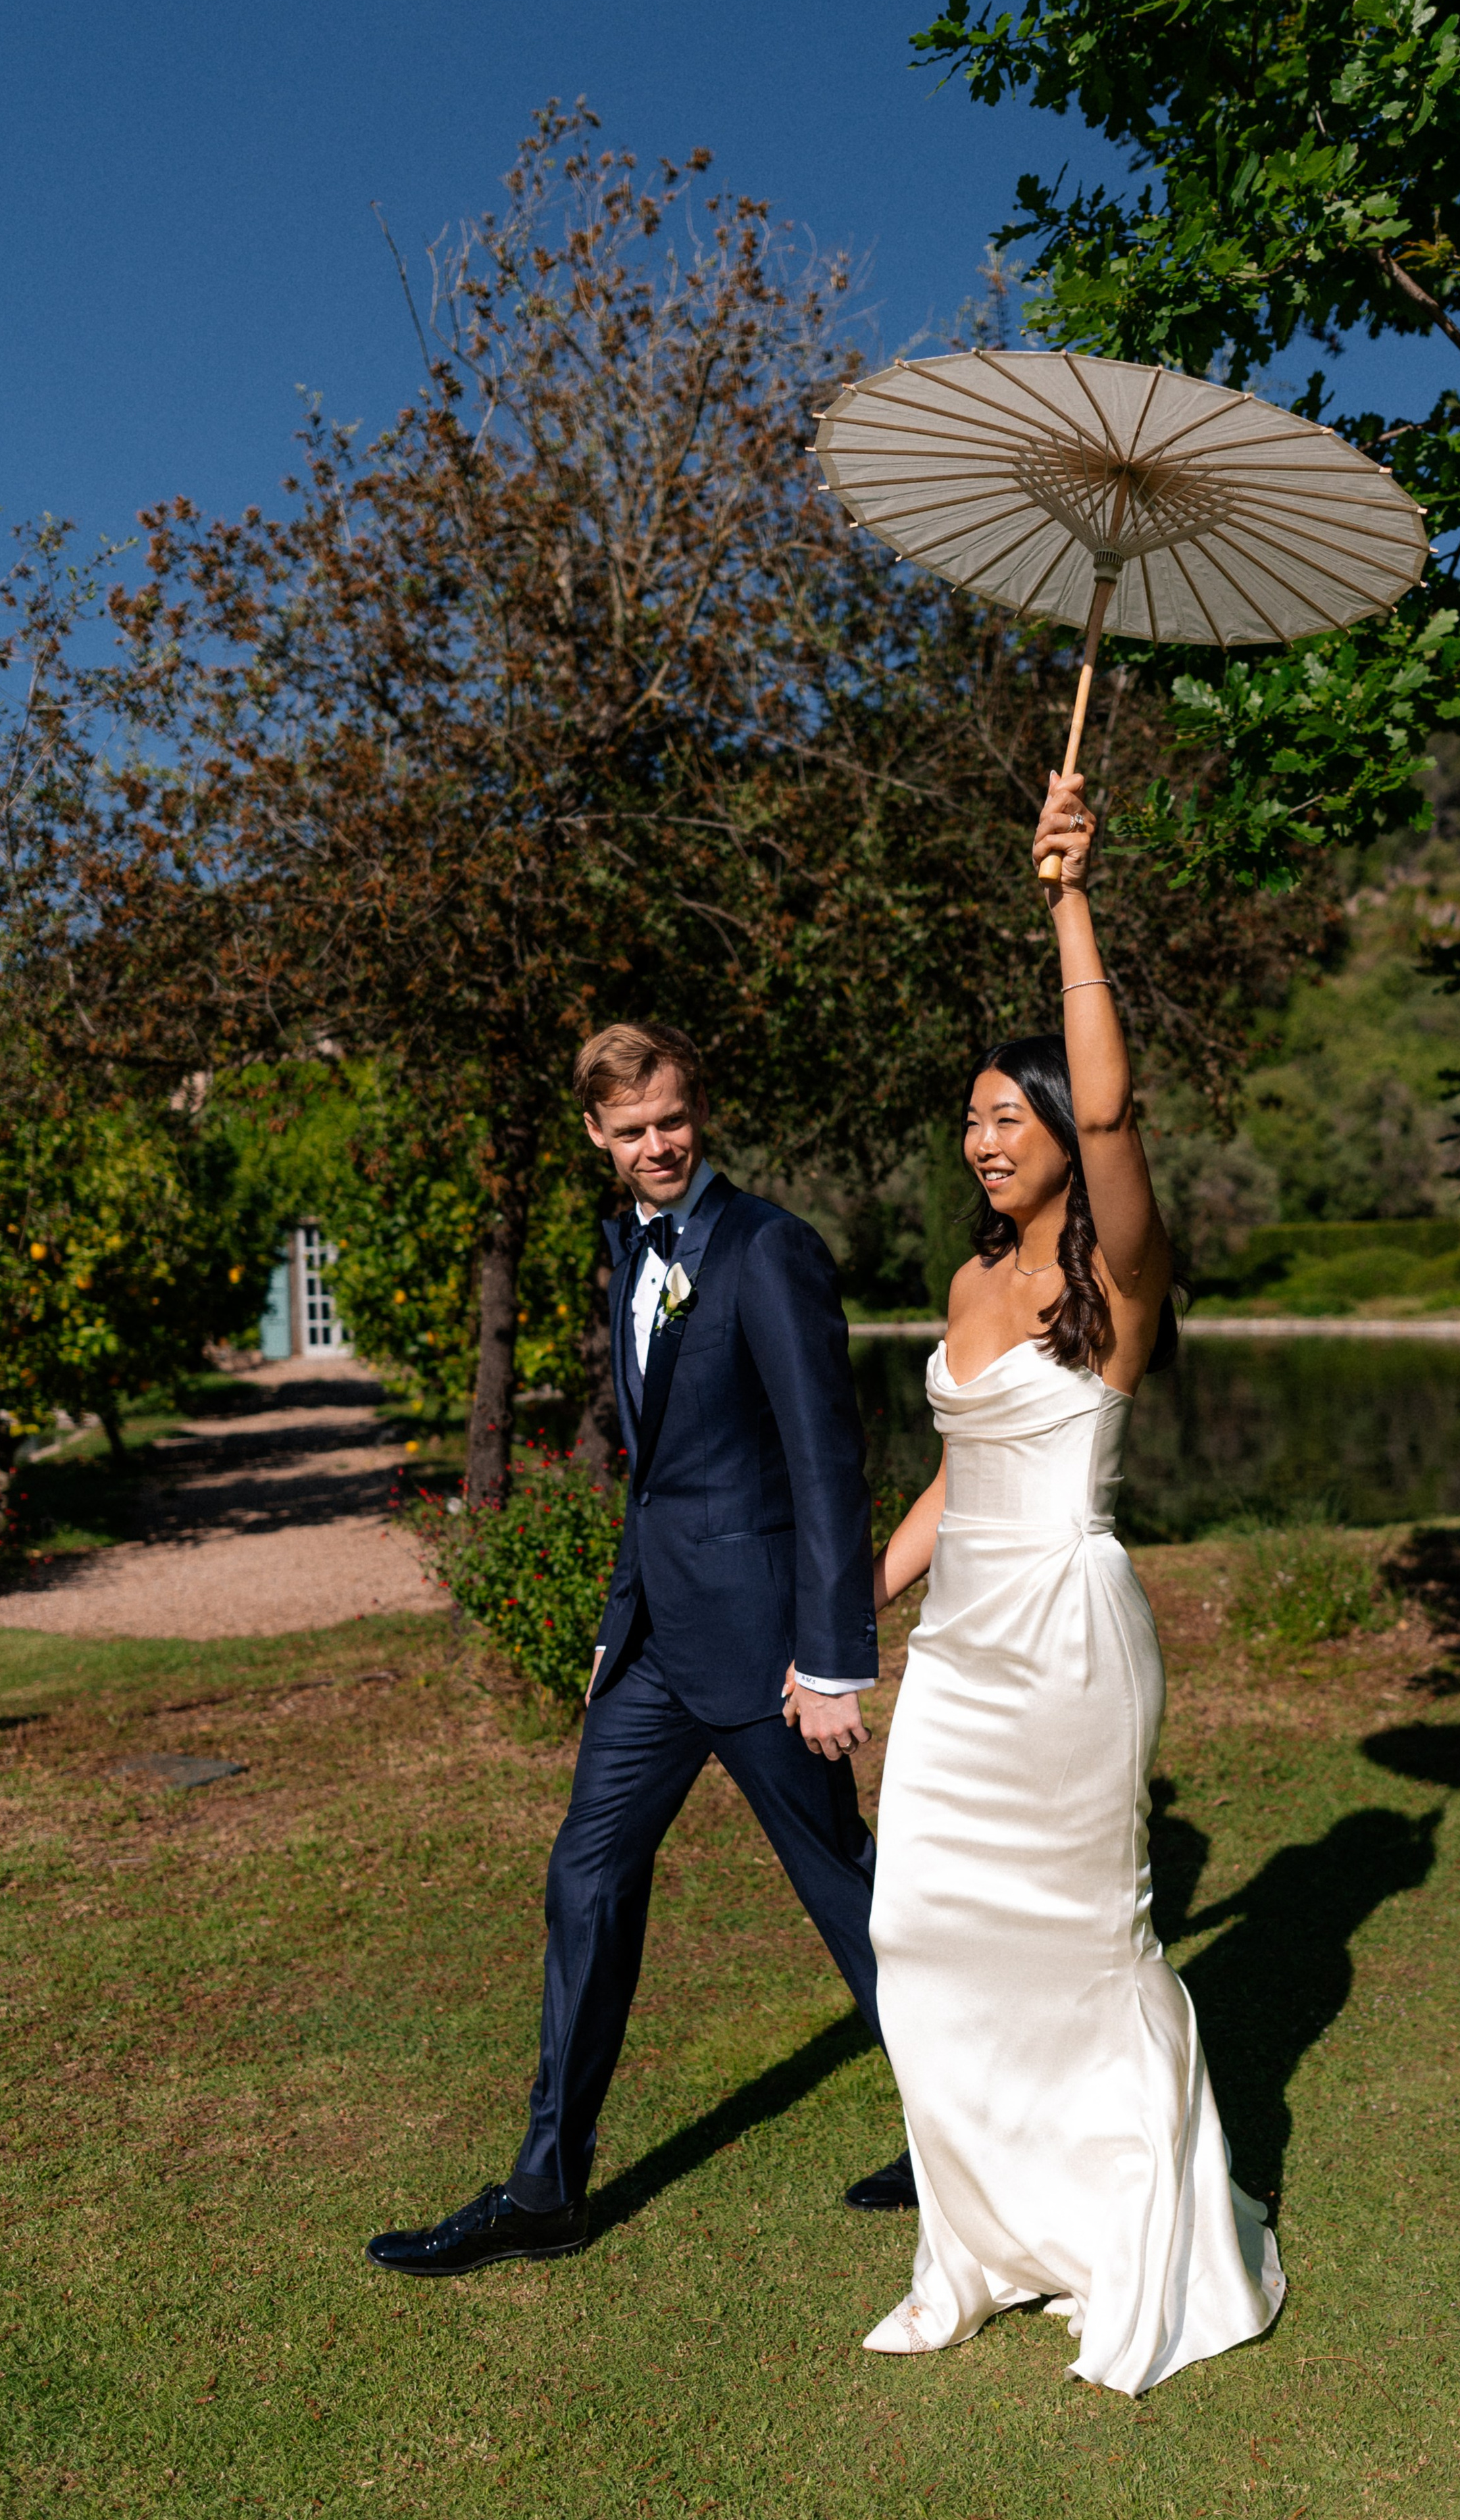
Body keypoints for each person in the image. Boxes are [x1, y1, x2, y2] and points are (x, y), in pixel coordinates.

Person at [859, 773, 1286, 2392]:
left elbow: (1116, 1118)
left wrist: (1065, 899)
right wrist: (861, 1603)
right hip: (961, 1655)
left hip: (1070, 1640)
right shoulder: (968, 1279)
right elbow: (962, 1474)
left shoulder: (1115, 1276)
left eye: (1005, 1112)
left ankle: (1131, 2240)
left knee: (1087, 1945)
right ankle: (977, 2242)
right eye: (968, 1115)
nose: (981, 1137)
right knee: (922, 1930)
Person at [367, 1020, 911, 2279]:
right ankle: (548, 2188)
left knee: (851, 1899)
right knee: (587, 1877)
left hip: (770, 1655)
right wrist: (620, 1622)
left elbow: (830, 1465)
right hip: (658, 1647)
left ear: (695, 1109)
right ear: (599, 1141)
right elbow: (655, 1468)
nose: (656, 1145)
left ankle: (977, 2146)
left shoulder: (770, 1249)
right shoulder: (624, 1250)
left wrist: (831, 1659)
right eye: (630, 1131)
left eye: (671, 1118)